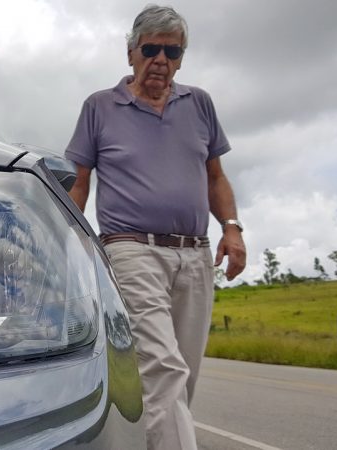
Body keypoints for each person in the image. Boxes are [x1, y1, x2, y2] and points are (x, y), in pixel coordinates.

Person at [64, 5, 246, 449]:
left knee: (182, 378)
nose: (161, 60)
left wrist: (232, 228)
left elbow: (216, 177)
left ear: (181, 57)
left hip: (196, 253)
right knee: (164, 368)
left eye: (172, 51)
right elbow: (80, 182)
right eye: (151, 50)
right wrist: (66, 243)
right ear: (131, 53)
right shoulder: (99, 107)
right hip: (130, 249)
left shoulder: (199, 103)